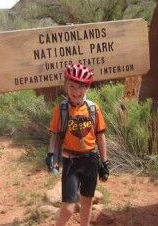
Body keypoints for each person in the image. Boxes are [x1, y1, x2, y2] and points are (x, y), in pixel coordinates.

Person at [46, 63, 110, 226]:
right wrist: (51, 155)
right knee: (68, 207)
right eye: (72, 86)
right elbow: (55, 135)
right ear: (66, 87)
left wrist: (105, 162)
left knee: (87, 202)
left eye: (81, 87)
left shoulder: (93, 109)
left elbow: (100, 136)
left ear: (87, 88)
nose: (76, 91)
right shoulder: (61, 110)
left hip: (90, 160)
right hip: (71, 161)